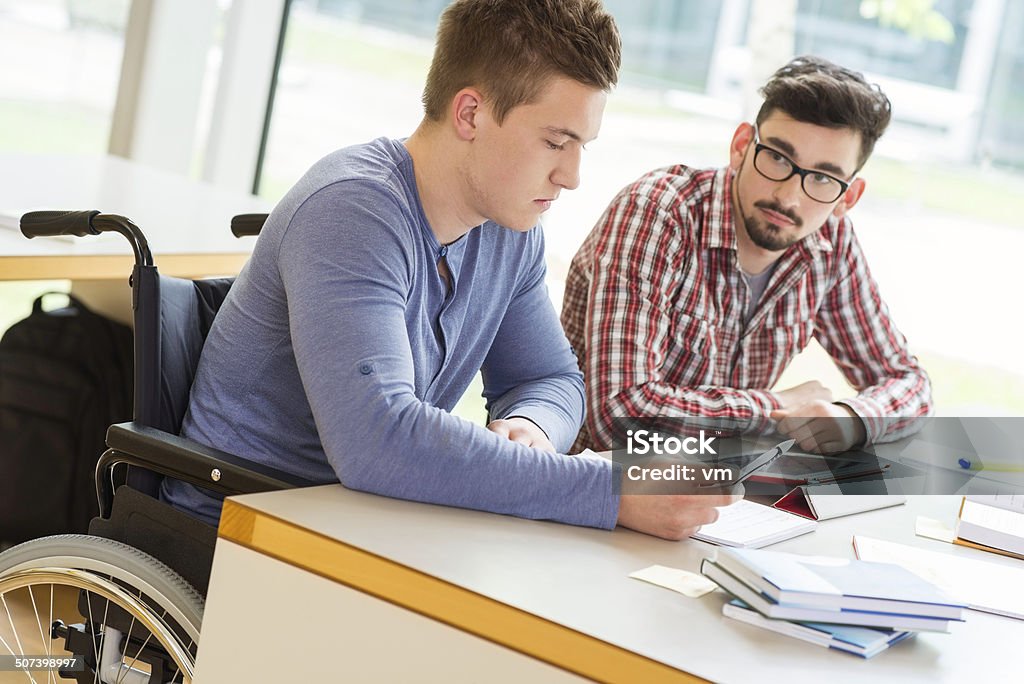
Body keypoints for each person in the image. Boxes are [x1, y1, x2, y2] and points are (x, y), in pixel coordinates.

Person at [162, 0, 736, 542]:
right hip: (243, 536)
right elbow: (378, 441)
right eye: (556, 142)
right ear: (471, 113)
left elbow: (552, 382)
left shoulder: (511, 231)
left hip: (367, 530)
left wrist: (531, 429)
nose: (572, 176)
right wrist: (611, 493)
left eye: (582, 145)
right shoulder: (353, 210)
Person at [562, 55, 933, 455]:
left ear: (848, 197)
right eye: (777, 157)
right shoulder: (659, 212)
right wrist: (775, 409)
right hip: (592, 492)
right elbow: (619, 419)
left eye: (824, 178)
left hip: (715, 493)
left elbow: (907, 380)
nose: (788, 196)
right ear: (741, 147)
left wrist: (854, 418)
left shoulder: (830, 241)